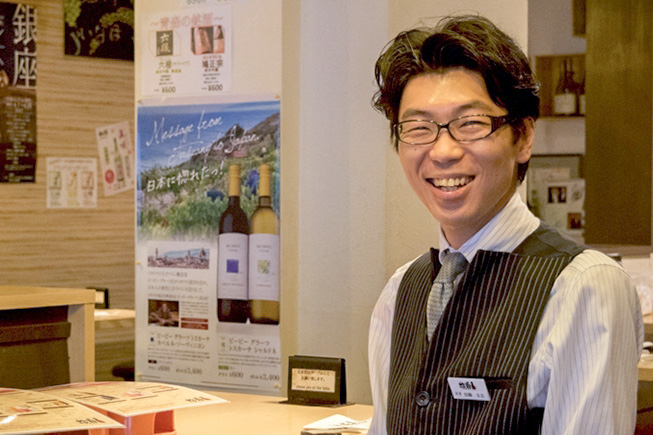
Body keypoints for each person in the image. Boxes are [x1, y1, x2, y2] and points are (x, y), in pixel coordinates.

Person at [368, 15, 643, 435]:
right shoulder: (400, 291)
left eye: (470, 124)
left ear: (523, 137)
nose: (443, 151)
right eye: (418, 128)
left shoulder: (584, 288)